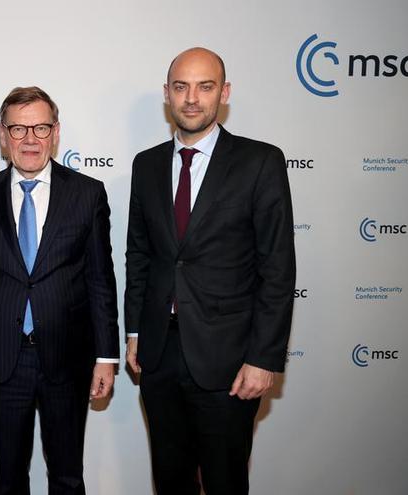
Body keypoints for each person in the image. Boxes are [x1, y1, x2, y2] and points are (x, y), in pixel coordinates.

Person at [124, 47, 296, 494]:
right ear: (167, 93)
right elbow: (139, 255)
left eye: (205, 86)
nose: (192, 98)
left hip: (230, 359)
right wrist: (135, 332)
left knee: (224, 482)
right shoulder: (146, 164)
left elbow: (277, 269)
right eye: (181, 87)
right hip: (159, 354)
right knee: (170, 480)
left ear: (225, 92)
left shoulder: (260, 162)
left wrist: (263, 358)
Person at [0, 86, 119, 494]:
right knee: (9, 476)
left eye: (40, 128)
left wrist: (106, 356)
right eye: (18, 128)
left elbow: (101, 280)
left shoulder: (88, 194)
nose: (30, 139)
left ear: (55, 132)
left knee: (67, 475)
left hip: (68, 357)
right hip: (2, 360)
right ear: (2, 134)